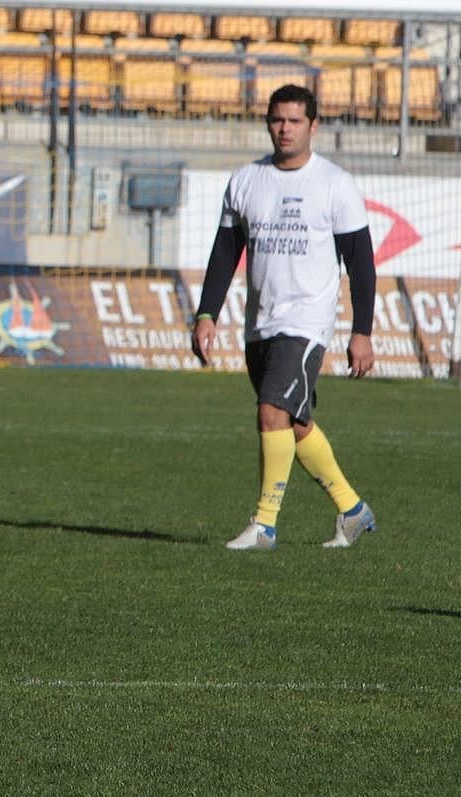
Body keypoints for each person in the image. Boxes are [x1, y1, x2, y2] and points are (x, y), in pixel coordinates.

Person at [191, 84, 378, 551]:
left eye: (295, 121)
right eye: (278, 120)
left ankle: (264, 526)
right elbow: (225, 252)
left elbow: (362, 264)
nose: (285, 129)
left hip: (308, 323)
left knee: (271, 411)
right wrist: (207, 312)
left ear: (313, 126)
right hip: (262, 323)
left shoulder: (334, 184)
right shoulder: (246, 181)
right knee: (292, 424)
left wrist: (362, 332)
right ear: (267, 122)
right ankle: (353, 510)